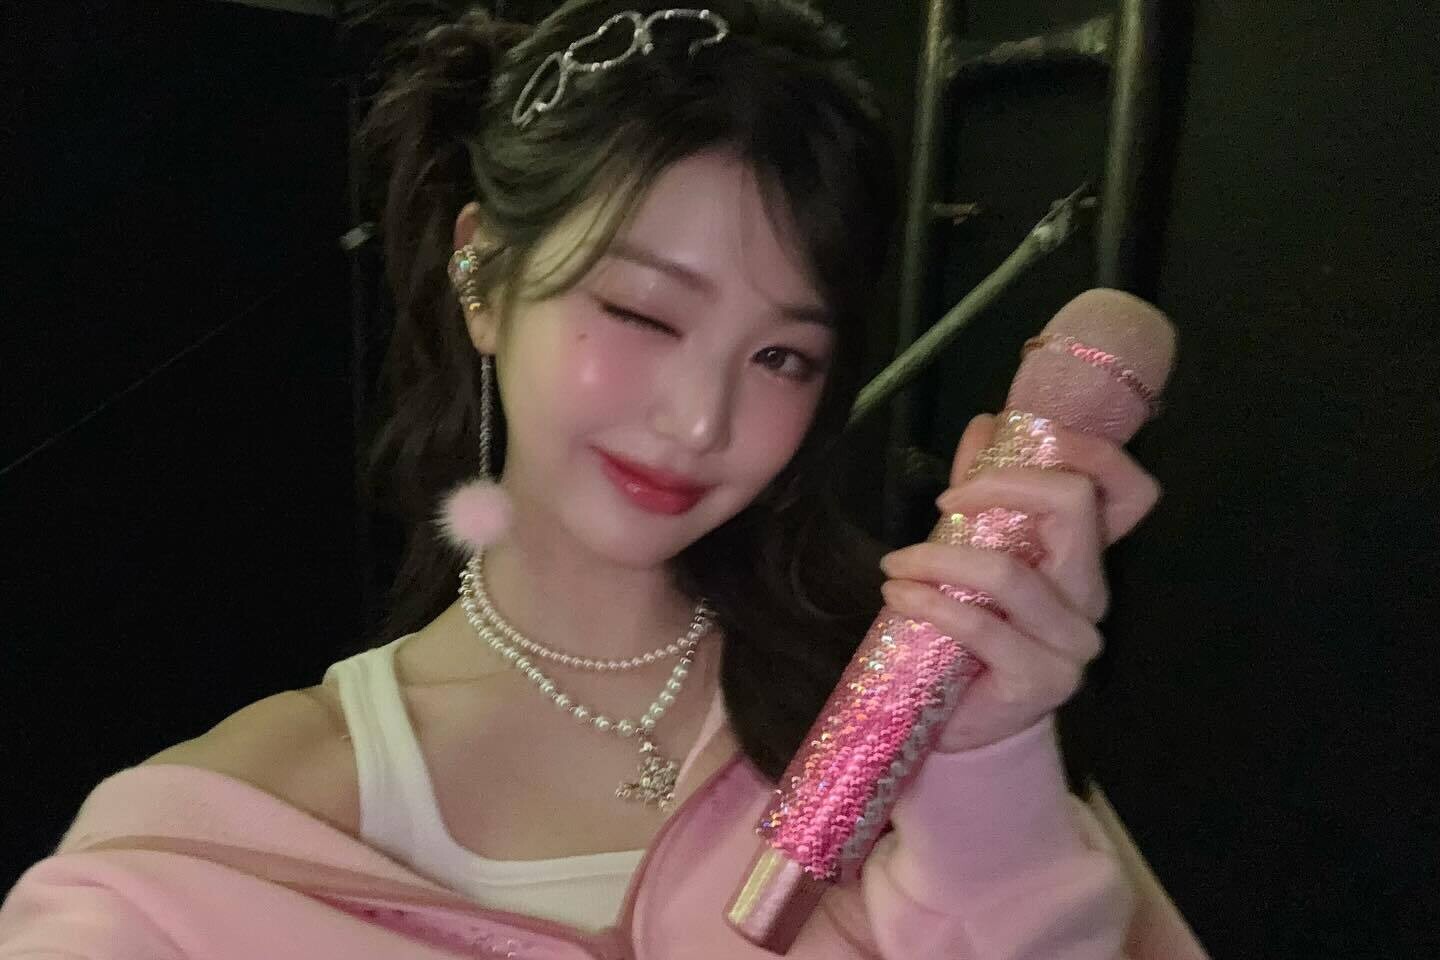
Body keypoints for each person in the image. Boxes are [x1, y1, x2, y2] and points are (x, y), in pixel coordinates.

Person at [0, 2, 1174, 957]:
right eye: (642, 312)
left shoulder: (893, 717)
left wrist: (990, 760)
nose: (701, 421)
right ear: (481, 274)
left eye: (782, 357)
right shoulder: (215, 848)